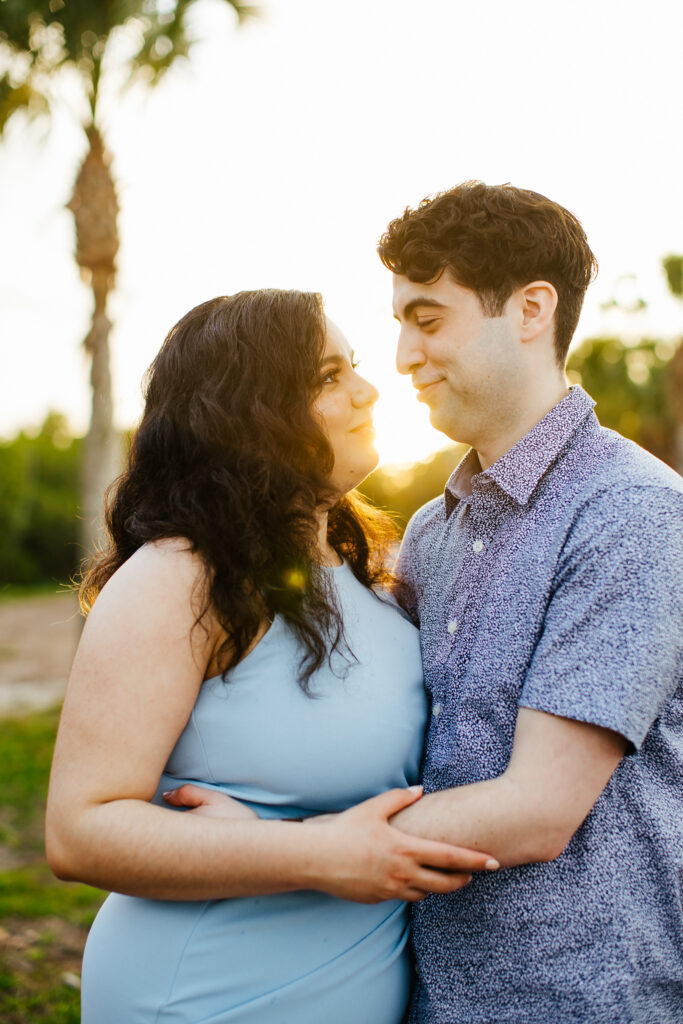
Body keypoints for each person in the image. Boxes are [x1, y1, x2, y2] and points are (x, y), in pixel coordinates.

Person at [45, 289, 494, 1024]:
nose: (368, 388)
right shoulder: (182, 575)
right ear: (249, 410)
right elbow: (78, 830)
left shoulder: (373, 580)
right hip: (202, 996)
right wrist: (313, 854)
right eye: (327, 375)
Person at [376, 181, 683, 1023]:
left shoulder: (629, 512)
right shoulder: (430, 532)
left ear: (529, 309)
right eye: (400, 323)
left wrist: (279, 851)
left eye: (428, 318)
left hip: (581, 1000)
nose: (404, 354)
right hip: (423, 992)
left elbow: (536, 811)